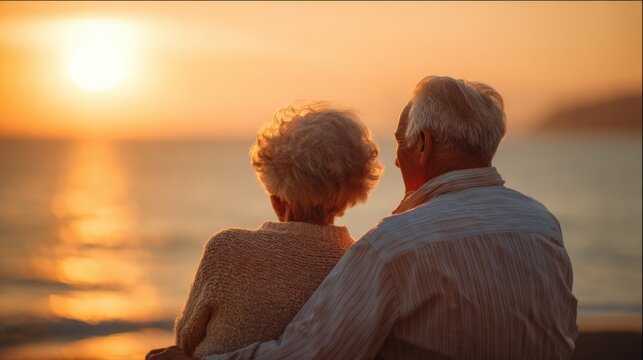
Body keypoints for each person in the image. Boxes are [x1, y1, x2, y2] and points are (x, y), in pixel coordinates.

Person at [148, 76, 578, 360]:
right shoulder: (541, 225)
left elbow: (306, 354)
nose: (395, 159)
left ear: (423, 145)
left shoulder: (395, 247)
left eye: (400, 143)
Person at [148, 102, 382, 359]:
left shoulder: (228, 249)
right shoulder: (357, 265)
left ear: (276, 197)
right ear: (348, 198)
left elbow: (186, 341)